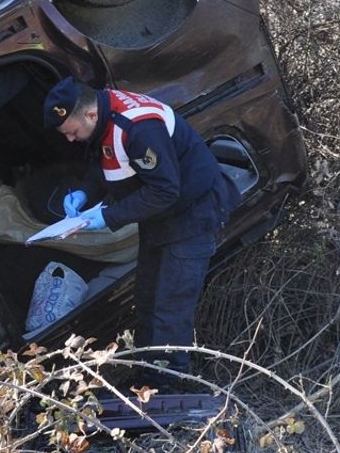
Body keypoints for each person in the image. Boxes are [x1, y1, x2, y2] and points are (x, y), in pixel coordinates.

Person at [42, 77, 240, 384]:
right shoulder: (103, 117)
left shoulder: (138, 127)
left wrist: (107, 217)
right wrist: (84, 192)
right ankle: (147, 380)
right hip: (160, 219)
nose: (70, 139)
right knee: (147, 300)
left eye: (72, 132)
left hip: (192, 215)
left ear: (90, 115)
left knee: (169, 309)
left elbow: (165, 191)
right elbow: (106, 161)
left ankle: (168, 392)